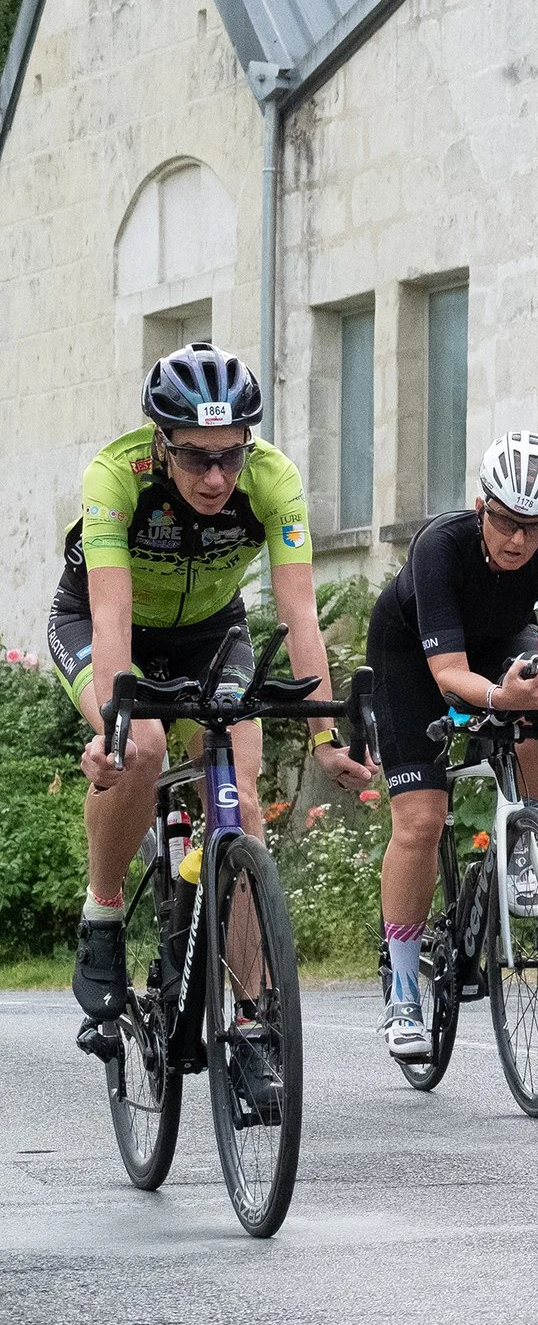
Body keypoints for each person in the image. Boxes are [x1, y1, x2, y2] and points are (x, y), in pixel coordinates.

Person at [55, 344, 375, 1046]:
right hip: (107, 624)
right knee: (139, 747)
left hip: (209, 630)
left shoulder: (273, 480)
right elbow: (109, 617)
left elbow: (298, 612)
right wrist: (113, 730)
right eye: (196, 456)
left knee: (240, 793)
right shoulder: (117, 475)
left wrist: (325, 737)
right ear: (161, 443)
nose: (215, 475)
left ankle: (254, 1015)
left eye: (230, 455)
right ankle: (103, 912)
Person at [368, 432, 538, 1060]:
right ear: (481, 504)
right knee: (421, 820)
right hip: (416, 658)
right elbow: (450, 679)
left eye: (534, 527)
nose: (518, 540)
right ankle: (404, 985)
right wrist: (501, 698)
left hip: (496, 648)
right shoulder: (441, 545)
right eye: (506, 522)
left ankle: (521, 836)